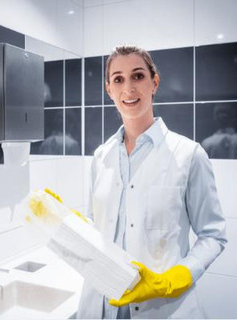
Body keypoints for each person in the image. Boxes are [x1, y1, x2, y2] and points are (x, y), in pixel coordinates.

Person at [77, 45, 227, 319]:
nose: (128, 89)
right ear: (109, 89)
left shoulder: (188, 155)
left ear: (154, 82)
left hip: (162, 308)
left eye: (138, 76)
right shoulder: (101, 157)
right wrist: (67, 224)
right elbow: (94, 226)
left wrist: (177, 277)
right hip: (100, 306)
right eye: (118, 79)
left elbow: (213, 235)